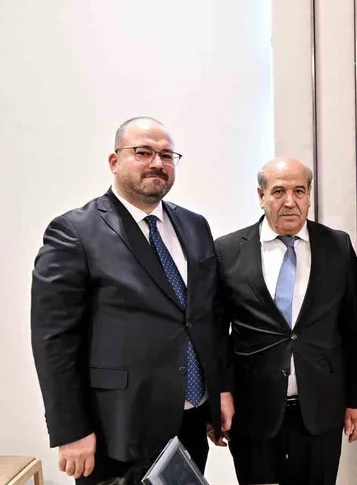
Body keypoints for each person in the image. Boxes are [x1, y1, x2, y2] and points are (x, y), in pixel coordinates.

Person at [31, 117, 230, 483]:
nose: (157, 163)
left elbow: (208, 317)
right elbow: (54, 341)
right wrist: (71, 430)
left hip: (190, 419)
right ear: (114, 161)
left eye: (167, 155)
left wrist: (218, 393)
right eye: (143, 152)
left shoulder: (195, 225)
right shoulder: (75, 232)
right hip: (116, 429)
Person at [215, 158, 357, 485]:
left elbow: (353, 329)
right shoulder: (227, 251)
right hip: (253, 409)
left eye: (299, 191)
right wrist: (220, 394)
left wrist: (356, 401)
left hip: (321, 408)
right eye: (278, 191)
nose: (289, 201)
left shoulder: (338, 246)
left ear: (309, 196)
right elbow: (216, 334)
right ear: (261, 196)